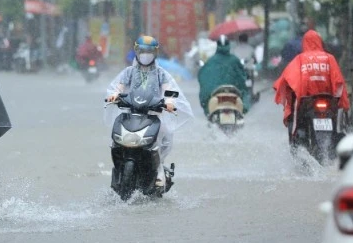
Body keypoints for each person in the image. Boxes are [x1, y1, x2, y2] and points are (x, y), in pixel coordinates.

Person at [105, 35, 194, 187]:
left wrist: (169, 102)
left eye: (149, 51)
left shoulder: (161, 73)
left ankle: (159, 171)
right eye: (142, 51)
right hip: (131, 112)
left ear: (155, 53)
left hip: (153, 114)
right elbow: (119, 87)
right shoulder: (129, 72)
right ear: (136, 52)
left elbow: (168, 89)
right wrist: (114, 95)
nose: (145, 55)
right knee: (116, 139)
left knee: (164, 136)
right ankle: (119, 167)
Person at [273, 29, 350, 139]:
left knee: (296, 120)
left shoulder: (300, 59)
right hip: (329, 99)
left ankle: (295, 139)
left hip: (306, 100)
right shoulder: (329, 58)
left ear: (304, 43)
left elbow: (287, 78)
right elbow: (338, 81)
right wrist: (343, 102)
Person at [198, 35, 251, 116]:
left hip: (214, 93)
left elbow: (203, 78)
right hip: (234, 92)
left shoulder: (211, 61)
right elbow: (242, 76)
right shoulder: (234, 60)